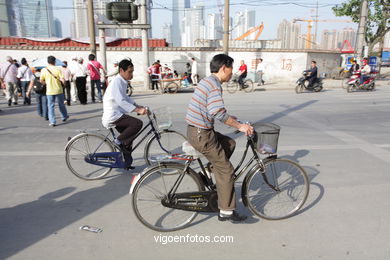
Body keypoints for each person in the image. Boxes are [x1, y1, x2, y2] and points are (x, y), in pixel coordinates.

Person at [185, 53, 253, 222]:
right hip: (202, 134)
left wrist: (232, 119)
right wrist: (240, 126)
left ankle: (207, 171)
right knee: (226, 169)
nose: (232, 73)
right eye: (231, 69)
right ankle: (226, 211)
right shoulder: (214, 85)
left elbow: (214, 110)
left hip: (197, 131)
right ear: (224, 68)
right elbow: (217, 112)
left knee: (228, 143)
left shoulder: (207, 81)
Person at [102, 59, 148, 169]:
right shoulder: (117, 81)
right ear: (122, 70)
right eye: (130, 72)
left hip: (118, 113)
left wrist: (137, 106)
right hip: (113, 115)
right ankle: (117, 141)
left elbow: (126, 97)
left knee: (129, 139)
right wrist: (137, 110)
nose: (131, 74)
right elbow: (121, 101)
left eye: (132, 72)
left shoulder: (122, 81)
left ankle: (126, 164)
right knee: (137, 124)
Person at [40, 56, 69, 127]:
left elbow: (41, 80)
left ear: (48, 62)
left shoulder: (44, 70)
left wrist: (46, 83)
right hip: (59, 89)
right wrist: (64, 85)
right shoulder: (58, 69)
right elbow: (63, 79)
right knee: (61, 104)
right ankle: (64, 116)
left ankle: (52, 121)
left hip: (49, 90)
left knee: (51, 106)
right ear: (54, 61)